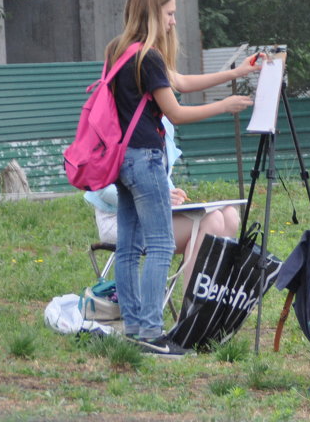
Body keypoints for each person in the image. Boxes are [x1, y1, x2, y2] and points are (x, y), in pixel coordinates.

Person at [106, 0, 260, 357]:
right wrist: (224, 106)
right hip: (146, 158)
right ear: (153, 13)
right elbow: (174, 110)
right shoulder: (150, 57)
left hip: (121, 160)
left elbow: (181, 82)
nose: (174, 21)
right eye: (171, 13)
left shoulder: (120, 51)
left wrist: (235, 73)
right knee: (159, 244)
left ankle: (132, 327)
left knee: (128, 246)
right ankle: (152, 333)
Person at [84, 118, 241, 293]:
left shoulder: (163, 122)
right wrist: (158, 196)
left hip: (154, 215)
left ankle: (208, 303)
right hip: (121, 220)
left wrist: (173, 196)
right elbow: (104, 191)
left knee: (230, 216)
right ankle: (191, 311)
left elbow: (160, 177)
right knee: (213, 221)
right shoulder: (119, 117)